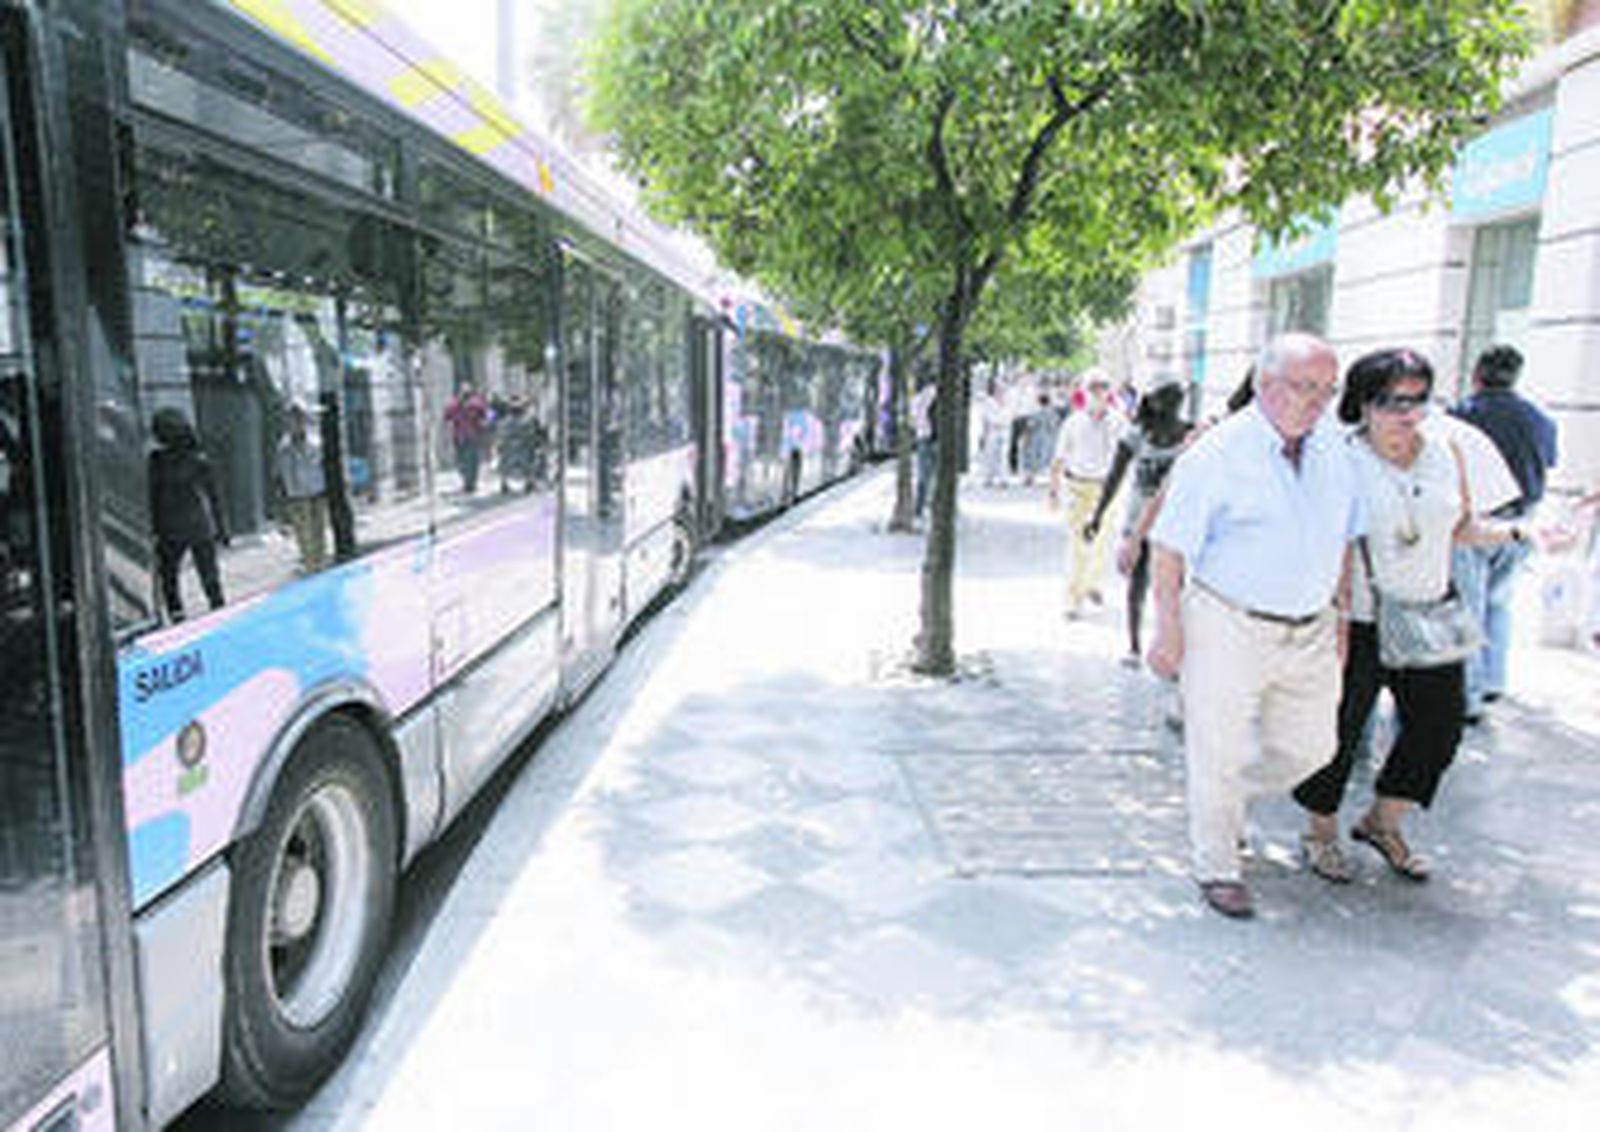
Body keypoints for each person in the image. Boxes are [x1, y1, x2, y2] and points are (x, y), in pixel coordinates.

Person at [1293, 349, 1530, 884]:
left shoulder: (1445, 451)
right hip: (1359, 619)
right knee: (1337, 732)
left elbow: (1460, 528)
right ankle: (1319, 831)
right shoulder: (1340, 457)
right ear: (1363, 403)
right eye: (1393, 401)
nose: (1408, 413)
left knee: (1439, 728)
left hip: (1430, 614)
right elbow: (1327, 542)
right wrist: (1332, 617)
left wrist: (1517, 532)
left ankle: (1383, 821)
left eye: (1419, 399)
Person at [1147, 333, 1362, 919]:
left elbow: (1344, 540)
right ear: (1265, 384)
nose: (1315, 401)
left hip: (1311, 626)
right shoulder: (1217, 453)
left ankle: (1225, 797)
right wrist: (1167, 629)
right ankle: (1217, 864)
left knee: (1313, 747)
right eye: (1303, 387)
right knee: (1216, 747)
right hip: (1227, 621)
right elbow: (1168, 548)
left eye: (1326, 390)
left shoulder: (1337, 449)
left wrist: (1342, 616)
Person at [1450, 345, 1558, 719]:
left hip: (1476, 521)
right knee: (1498, 604)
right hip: (1521, 521)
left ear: (1476, 374)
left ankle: (1468, 697)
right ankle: (1492, 681)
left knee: (1469, 606)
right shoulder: (1539, 418)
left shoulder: (1462, 415)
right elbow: (1548, 462)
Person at [1085, 374, 1194, 666]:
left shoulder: (1190, 435)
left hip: (1176, 521)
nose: (1175, 404)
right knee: (1138, 581)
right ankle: (1134, 646)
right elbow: (1114, 477)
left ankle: (1171, 646)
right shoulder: (1136, 435)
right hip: (1139, 521)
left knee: (1175, 586)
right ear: (1154, 402)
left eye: (1178, 398)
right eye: (1169, 398)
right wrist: (1097, 514)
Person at [1048, 369, 1123, 618]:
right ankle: (1072, 598)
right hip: (1077, 487)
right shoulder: (1073, 422)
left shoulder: (1118, 422)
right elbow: (1058, 458)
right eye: (1093, 387)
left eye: (1103, 387)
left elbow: (1125, 457)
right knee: (1078, 544)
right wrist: (1053, 491)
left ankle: (1092, 583)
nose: (1099, 393)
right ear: (1084, 391)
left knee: (1102, 542)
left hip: (1105, 489)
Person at [148, 408, 228, 621]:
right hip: (196, 526)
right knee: (208, 575)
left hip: (170, 528)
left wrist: (153, 528)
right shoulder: (197, 459)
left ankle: (178, 614)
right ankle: (217, 609)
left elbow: (152, 498)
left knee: (170, 575)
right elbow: (214, 497)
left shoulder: (156, 461)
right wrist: (222, 529)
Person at [274, 402, 329, 573]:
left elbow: (322, 467)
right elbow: (281, 474)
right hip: (297, 496)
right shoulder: (284, 448)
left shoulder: (315, 443)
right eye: (292, 419)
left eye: (299, 419)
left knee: (319, 532)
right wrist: (284, 499)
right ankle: (310, 564)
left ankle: (319, 564)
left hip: (317, 492)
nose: (296, 424)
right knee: (304, 535)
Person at [445, 383, 492, 495]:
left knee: (472, 461)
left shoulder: (476, 403)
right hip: (460, 436)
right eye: (462, 393)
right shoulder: (453, 405)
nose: (464, 395)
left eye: (466, 393)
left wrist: (487, 423)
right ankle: (468, 482)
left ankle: (470, 483)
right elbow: (447, 418)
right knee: (462, 461)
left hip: (472, 435)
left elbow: (489, 414)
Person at [976, 379, 1010, 487]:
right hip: (993, 430)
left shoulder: (1006, 402)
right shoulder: (989, 402)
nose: (1001, 391)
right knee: (990, 454)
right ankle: (988, 477)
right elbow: (986, 417)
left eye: (1002, 389)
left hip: (1004, 430)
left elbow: (1009, 416)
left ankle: (1003, 478)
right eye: (999, 388)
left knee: (1003, 455)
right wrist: (984, 432)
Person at [911, 379, 937, 519]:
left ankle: (919, 508)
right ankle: (930, 505)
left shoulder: (917, 399)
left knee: (923, 476)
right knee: (933, 475)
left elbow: (914, 420)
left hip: (922, 437)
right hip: (934, 438)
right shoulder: (935, 394)